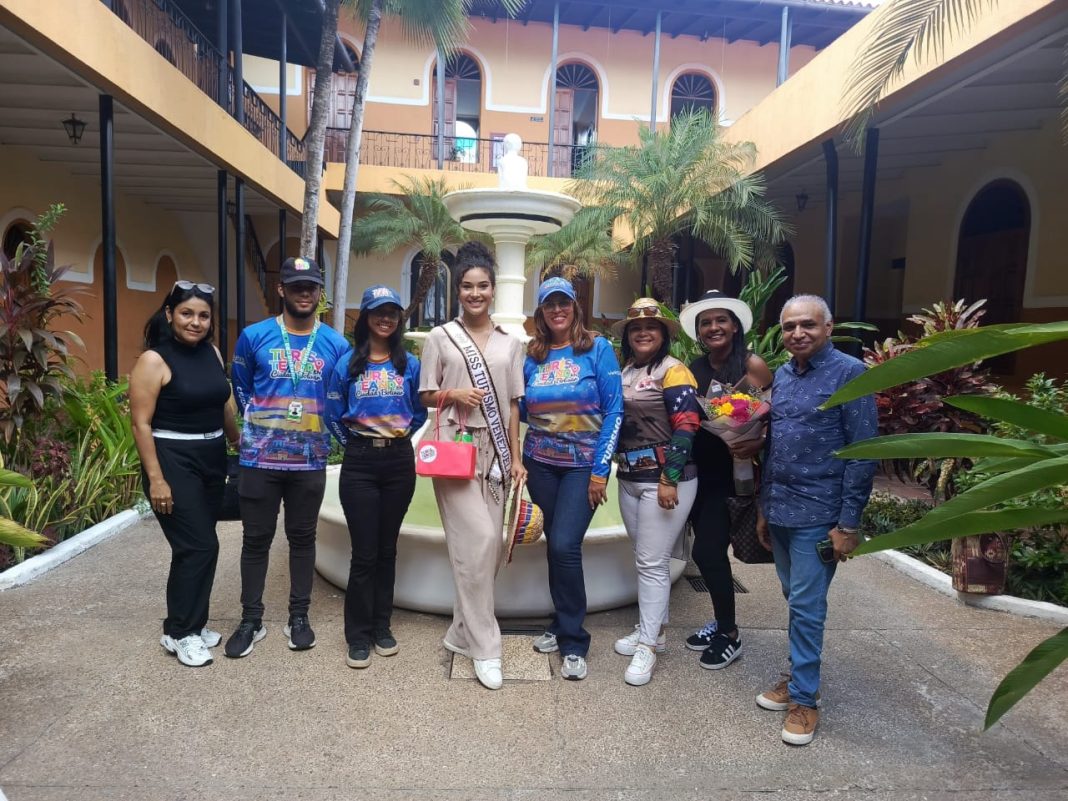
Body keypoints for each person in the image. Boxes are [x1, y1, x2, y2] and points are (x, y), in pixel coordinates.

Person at [755, 294, 877, 745]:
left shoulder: (851, 374)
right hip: (781, 508)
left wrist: (848, 525)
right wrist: (764, 508)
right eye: (789, 326)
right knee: (795, 598)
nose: (797, 333)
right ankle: (797, 676)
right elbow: (776, 446)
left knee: (807, 608)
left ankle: (805, 699)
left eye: (807, 324)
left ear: (829, 327)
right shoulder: (784, 375)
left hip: (820, 514)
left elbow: (863, 454)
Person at [224, 256, 351, 659]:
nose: (304, 293)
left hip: (309, 461)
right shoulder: (254, 336)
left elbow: (340, 396)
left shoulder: (336, 345)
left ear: (320, 293)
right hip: (259, 460)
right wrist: (261, 428)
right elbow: (241, 387)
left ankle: (299, 617)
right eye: (296, 286)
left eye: (310, 286)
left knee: (302, 539)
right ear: (281, 290)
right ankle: (251, 619)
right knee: (255, 540)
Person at [418, 241, 526, 691]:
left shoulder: (511, 343)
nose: (475, 293)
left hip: (497, 453)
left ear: (493, 289)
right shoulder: (440, 337)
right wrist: (453, 394)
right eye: (467, 286)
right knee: (478, 540)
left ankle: (461, 632)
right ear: (457, 290)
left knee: (488, 549)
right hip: (455, 449)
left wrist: (516, 458)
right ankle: (486, 647)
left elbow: (514, 406)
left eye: (482, 286)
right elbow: (425, 394)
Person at [130, 280, 240, 667]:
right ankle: (182, 633)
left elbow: (222, 403)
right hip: (173, 458)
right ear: (169, 314)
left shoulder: (211, 352)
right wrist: (157, 479)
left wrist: (237, 440)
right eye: (187, 313)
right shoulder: (153, 361)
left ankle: (188, 623)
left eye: (203, 315)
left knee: (198, 545)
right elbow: (141, 424)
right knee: (199, 546)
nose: (196, 322)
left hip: (211, 456)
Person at [524, 277, 623, 681]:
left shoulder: (597, 349)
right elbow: (519, 406)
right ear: (541, 312)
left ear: (574, 307)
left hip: (583, 466)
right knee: (555, 545)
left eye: (563, 303)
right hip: (540, 464)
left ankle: (574, 641)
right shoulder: (533, 355)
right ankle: (561, 621)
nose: (557, 310)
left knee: (565, 544)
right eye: (550, 305)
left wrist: (601, 469)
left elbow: (614, 410)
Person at [325, 285, 426, 669]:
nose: (385, 318)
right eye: (378, 312)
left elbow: (419, 411)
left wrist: (396, 438)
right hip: (360, 464)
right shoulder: (347, 364)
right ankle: (358, 634)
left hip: (398, 461)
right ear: (366, 317)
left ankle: (382, 626)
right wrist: (357, 444)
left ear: (399, 319)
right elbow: (333, 413)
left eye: (392, 312)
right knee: (364, 553)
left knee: (387, 549)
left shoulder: (409, 364)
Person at [678, 290, 772, 669]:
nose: (713, 327)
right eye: (706, 322)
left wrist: (756, 443)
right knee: (707, 550)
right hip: (699, 471)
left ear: (734, 326)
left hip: (731, 473)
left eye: (721, 320)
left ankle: (729, 634)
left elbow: (774, 415)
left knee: (707, 551)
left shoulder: (752, 365)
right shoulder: (695, 368)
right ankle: (721, 622)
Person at [611, 298, 702, 687]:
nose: (643, 333)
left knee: (650, 562)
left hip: (664, 481)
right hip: (629, 477)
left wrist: (669, 478)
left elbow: (687, 425)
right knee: (649, 559)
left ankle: (648, 644)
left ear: (663, 334)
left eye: (651, 327)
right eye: (636, 328)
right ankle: (655, 631)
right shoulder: (625, 371)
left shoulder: (674, 371)